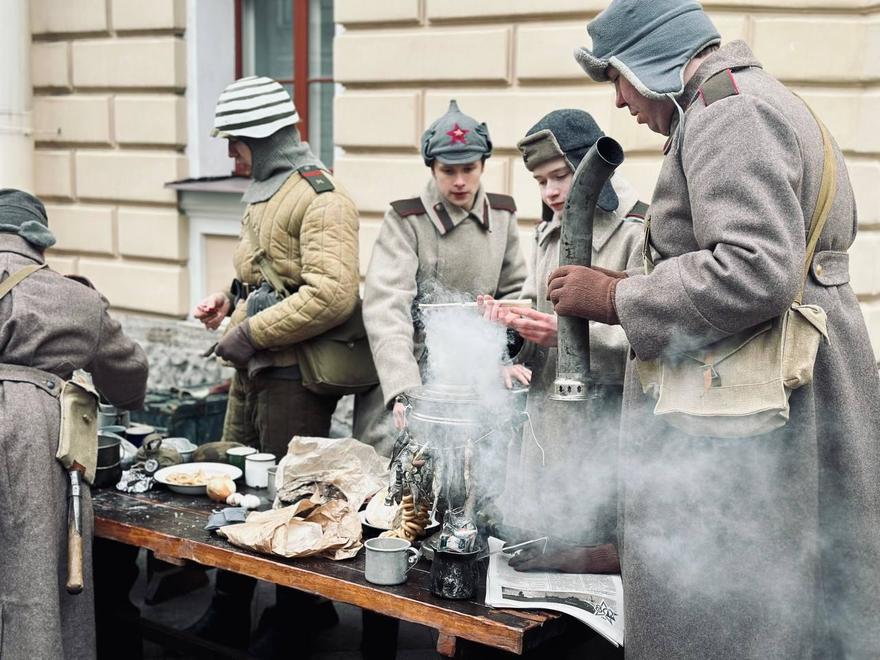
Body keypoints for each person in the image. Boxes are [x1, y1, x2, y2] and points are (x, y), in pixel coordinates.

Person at [541, 1, 880, 658]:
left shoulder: (729, 111)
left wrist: (615, 296)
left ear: (652, 61)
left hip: (758, 417)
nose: (618, 100)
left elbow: (755, 269)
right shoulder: (749, 99)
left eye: (618, 77)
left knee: (735, 619)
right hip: (788, 394)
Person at [191, 75, 360, 655]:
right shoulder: (268, 190)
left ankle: (297, 617)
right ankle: (230, 609)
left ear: (259, 137)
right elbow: (263, 275)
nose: (229, 152)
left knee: (290, 498)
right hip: (257, 368)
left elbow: (332, 294)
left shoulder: (319, 197)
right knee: (240, 488)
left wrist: (250, 333)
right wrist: (228, 301)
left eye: (234, 140)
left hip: (294, 377)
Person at [482, 110, 645, 564]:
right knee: (542, 551)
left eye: (562, 176)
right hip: (548, 427)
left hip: (607, 426)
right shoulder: (549, 232)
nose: (550, 191)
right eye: (539, 181)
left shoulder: (639, 231)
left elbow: (651, 338)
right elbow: (543, 322)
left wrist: (568, 339)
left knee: (592, 550)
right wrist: (512, 334)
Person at [0, 189, 149, 659]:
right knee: (32, 573)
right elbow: (129, 375)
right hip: (30, 436)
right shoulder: (74, 298)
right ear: (37, 241)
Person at [359, 99, 529, 454]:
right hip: (416, 368)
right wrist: (403, 388)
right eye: (447, 171)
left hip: (479, 370)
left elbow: (515, 295)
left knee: (479, 469)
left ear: (483, 164)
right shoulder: (408, 221)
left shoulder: (502, 215)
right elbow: (386, 307)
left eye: (469, 168)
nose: (460, 181)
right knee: (395, 472)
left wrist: (504, 358)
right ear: (431, 168)